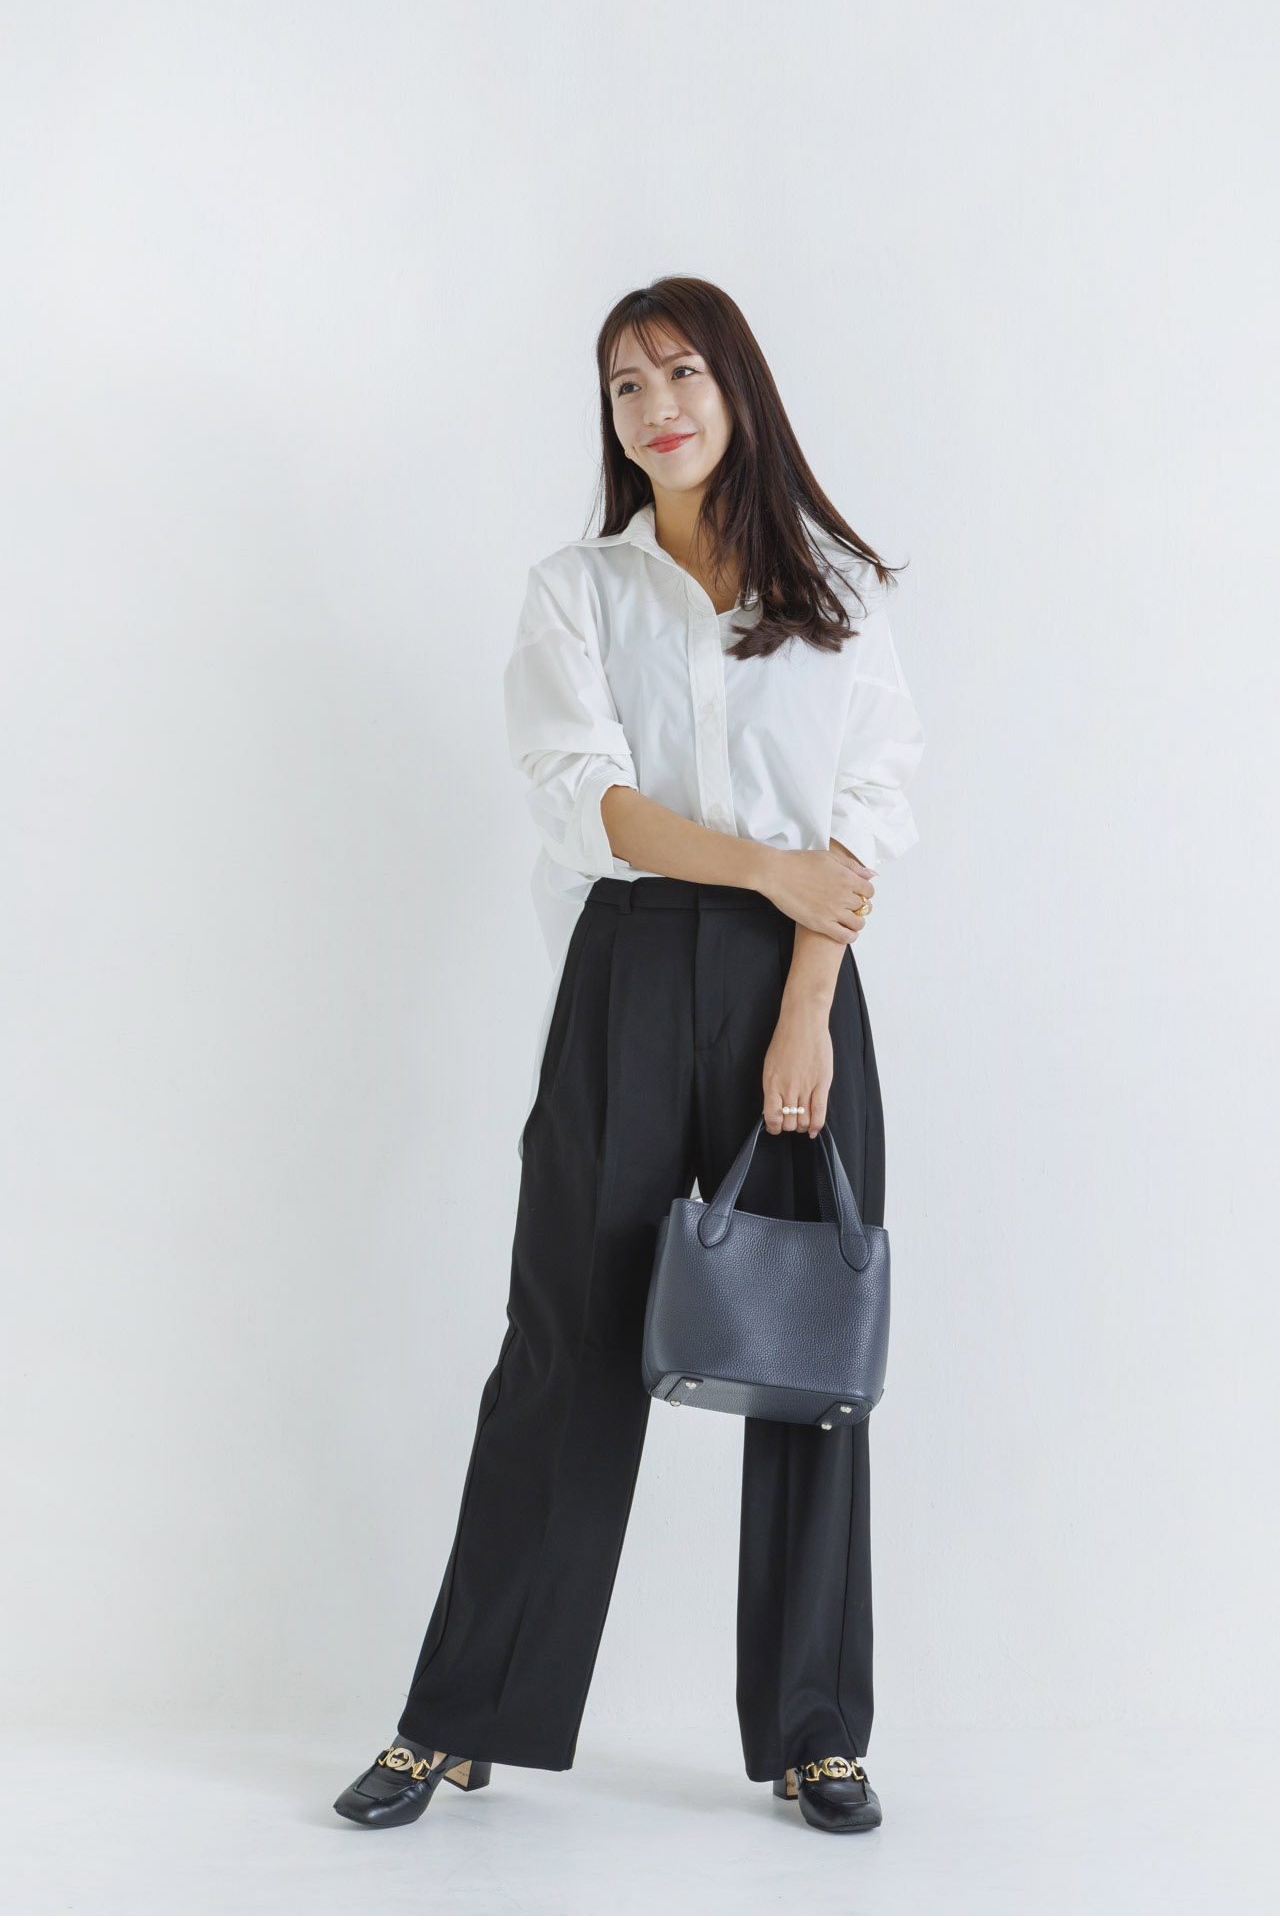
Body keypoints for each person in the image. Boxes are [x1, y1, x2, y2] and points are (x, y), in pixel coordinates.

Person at [334, 275, 925, 1837]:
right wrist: (767, 868)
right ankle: (460, 1717)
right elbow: (582, 800)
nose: (656, 406)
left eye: (681, 374)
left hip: (803, 983)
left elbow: (867, 814)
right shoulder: (577, 591)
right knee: (566, 1339)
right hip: (633, 969)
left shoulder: (839, 589)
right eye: (624, 386)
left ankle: (815, 1732)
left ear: (738, 388)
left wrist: (805, 1000)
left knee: (808, 1353)